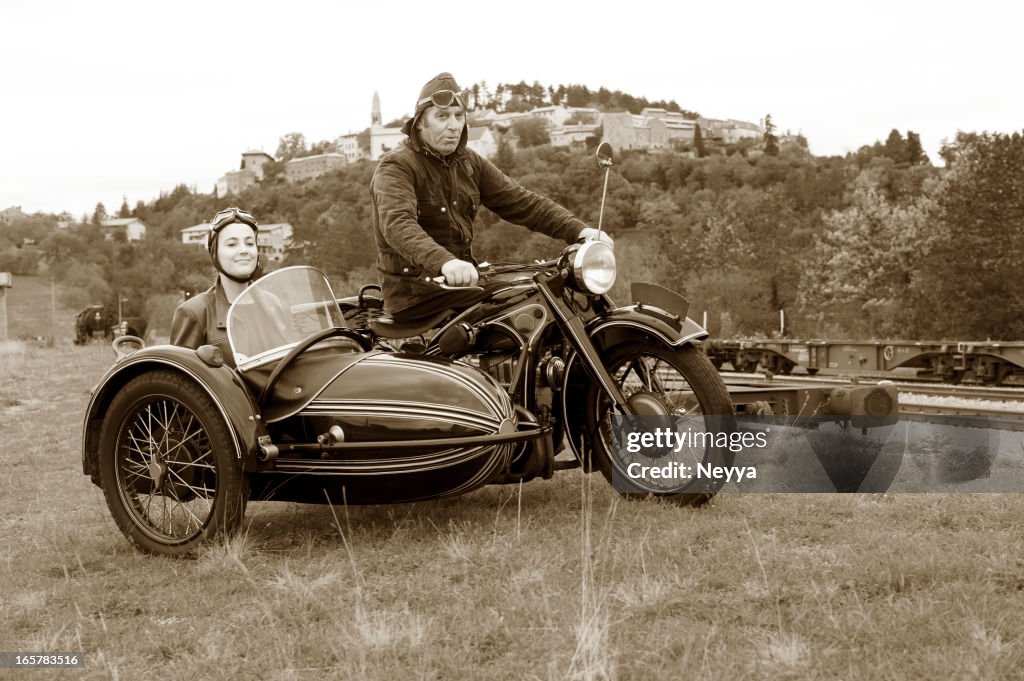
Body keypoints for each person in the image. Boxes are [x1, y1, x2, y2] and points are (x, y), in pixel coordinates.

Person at [370, 72, 614, 323]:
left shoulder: (469, 163)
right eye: (442, 116)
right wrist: (445, 263)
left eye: (458, 116)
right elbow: (398, 224)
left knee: (550, 296)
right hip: (417, 293)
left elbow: (521, 202)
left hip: (462, 284)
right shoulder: (397, 167)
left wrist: (580, 231)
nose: (453, 125)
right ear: (420, 122)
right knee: (524, 305)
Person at [170, 207, 262, 367]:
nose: (244, 250)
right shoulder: (194, 313)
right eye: (232, 244)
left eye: (249, 243)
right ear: (215, 252)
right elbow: (180, 383)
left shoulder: (275, 304)